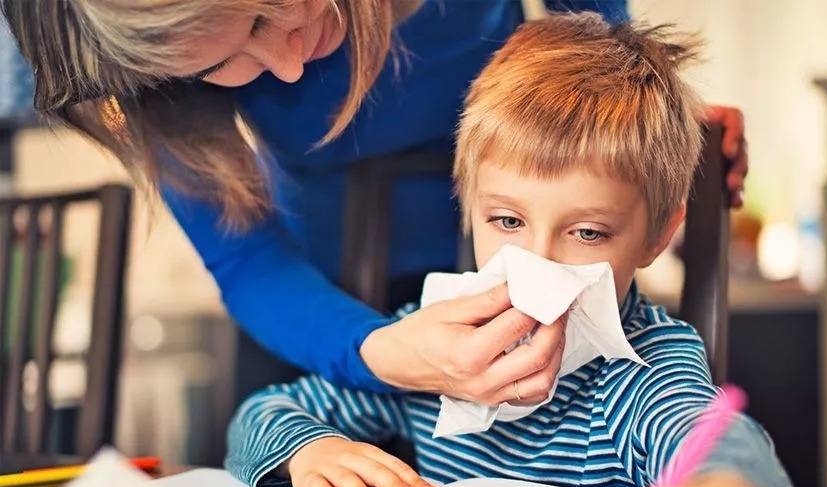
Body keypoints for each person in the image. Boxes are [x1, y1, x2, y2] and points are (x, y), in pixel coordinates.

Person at [1, 0, 749, 406]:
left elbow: (712, 451)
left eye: (264, 16)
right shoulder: (151, 86)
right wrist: (375, 353)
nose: (289, 65)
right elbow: (247, 263)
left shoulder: (649, 382)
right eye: (226, 63)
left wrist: (651, 131)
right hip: (335, 316)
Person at [224, 11, 793, 487]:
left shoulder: (644, 368)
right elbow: (263, 413)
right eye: (507, 220)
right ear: (469, 211)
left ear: (657, 237)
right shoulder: (436, 346)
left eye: (587, 232)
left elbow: (716, 440)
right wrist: (310, 450)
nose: (535, 262)